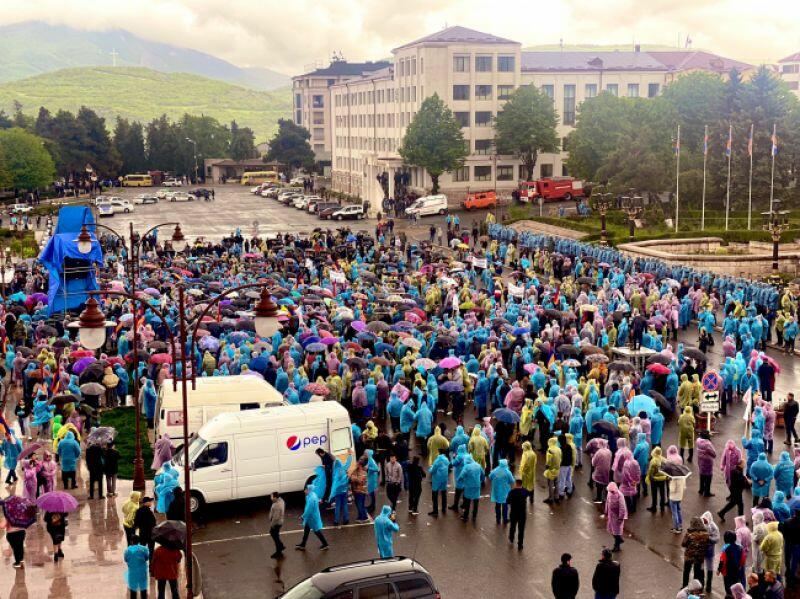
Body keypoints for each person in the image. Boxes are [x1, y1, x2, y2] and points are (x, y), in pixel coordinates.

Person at [295, 485, 329, 551]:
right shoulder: (312, 495)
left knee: (317, 531)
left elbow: (308, 510)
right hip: (311, 517)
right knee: (307, 530)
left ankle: (325, 544)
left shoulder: (311, 498)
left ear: (308, 490)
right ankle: (303, 544)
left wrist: (302, 516)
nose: (304, 491)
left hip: (312, 518)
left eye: (305, 490)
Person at [682, 516, 710, 588]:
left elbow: (683, 544)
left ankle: (684, 586)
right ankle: (696, 588)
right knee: (697, 573)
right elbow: (707, 545)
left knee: (686, 572)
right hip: (700, 557)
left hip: (689, 556)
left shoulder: (689, 533)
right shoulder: (706, 534)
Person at [718, 530, 746, 597]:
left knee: (728, 587)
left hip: (727, 572)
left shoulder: (725, 548)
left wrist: (719, 569)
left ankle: (729, 596)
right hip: (736, 571)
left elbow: (722, 560)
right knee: (735, 586)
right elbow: (743, 560)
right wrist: (740, 566)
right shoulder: (740, 548)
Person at [489, 458, 515, 524]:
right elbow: (512, 481)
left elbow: (490, 477)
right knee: (505, 506)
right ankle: (505, 520)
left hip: (497, 491)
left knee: (497, 505)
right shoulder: (507, 472)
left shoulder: (495, 470)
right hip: (505, 491)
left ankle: (498, 519)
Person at [124, 534, 150, 599]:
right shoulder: (144, 549)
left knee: (133, 590)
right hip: (142, 571)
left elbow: (126, 559)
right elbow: (147, 558)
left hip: (132, 572)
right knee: (143, 588)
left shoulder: (127, 550)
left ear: (131, 541)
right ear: (139, 541)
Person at [605, 482, 628, 552]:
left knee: (617, 531)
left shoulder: (620, 495)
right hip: (611, 515)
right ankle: (619, 540)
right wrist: (606, 511)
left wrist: (621, 517)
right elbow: (607, 502)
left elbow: (622, 507)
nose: (611, 492)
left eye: (612, 491)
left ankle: (617, 546)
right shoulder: (609, 493)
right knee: (612, 530)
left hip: (617, 516)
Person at [507, 478, 528, 550]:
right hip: (522, 514)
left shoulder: (512, 492)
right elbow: (528, 493)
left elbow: (508, 501)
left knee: (512, 526)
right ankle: (520, 544)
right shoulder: (524, 491)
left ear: (516, 484)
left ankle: (511, 538)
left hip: (513, 512)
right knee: (521, 529)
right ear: (521, 484)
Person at [428, 448, 449, 516]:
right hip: (444, 478)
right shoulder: (446, 459)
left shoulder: (438, 460)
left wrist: (430, 469)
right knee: (443, 494)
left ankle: (435, 511)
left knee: (435, 495)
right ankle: (444, 508)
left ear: (439, 452)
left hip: (437, 479)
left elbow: (433, 470)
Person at [268, 491, 285, 559]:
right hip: (280, 521)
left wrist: (272, 524)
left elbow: (276, 517)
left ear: (275, 497)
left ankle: (279, 551)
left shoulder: (276, 505)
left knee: (275, 536)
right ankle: (281, 546)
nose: (271, 498)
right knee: (275, 535)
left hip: (276, 523)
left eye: (271, 497)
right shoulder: (281, 501)